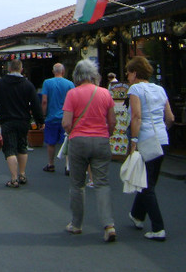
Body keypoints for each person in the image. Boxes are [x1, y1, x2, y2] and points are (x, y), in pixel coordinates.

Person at [62, 59, 117, 242]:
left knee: (77, 184)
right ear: (95, 75)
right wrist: (106, 134)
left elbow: (66, 123)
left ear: (77, 76)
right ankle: (108, 225)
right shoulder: (105, 93)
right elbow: (112, 122)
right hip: (101, 140)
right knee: (102, 183)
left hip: (78, 141)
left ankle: (76, 224)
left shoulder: (72, 94)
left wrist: (72, 132)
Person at [126, 56, 175, 242]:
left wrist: (134, 141)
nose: (128, 77)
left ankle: (158, 227)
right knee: (149, 180)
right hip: (162, 138)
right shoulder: (160, 89)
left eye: (129, 73)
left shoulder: (135, 89)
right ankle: (137, 215)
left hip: (145, 138)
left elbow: (136, 116)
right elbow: (170, 117)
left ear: (135, 73)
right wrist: (163, 131)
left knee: (146, 185)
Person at [0, 59, 44, 187]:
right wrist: (40, 120)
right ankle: (22, 174)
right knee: (22, 147)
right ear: (21, 69)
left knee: (10, 149)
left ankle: (14, 178)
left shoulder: (1, 84)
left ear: (9, 69)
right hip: (23, 121)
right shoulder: (28, 85)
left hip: (7, 120)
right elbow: (35, 105)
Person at [40, 63, 75, 174]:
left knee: (51, 142)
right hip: (66, 117)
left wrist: (43, 115)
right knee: (67, 141)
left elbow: (44, 101)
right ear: (63, 72)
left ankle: (51, 163)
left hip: (51, 116)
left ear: (53, 71)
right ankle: (67, 165)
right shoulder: (70, 84)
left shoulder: (47, 83)